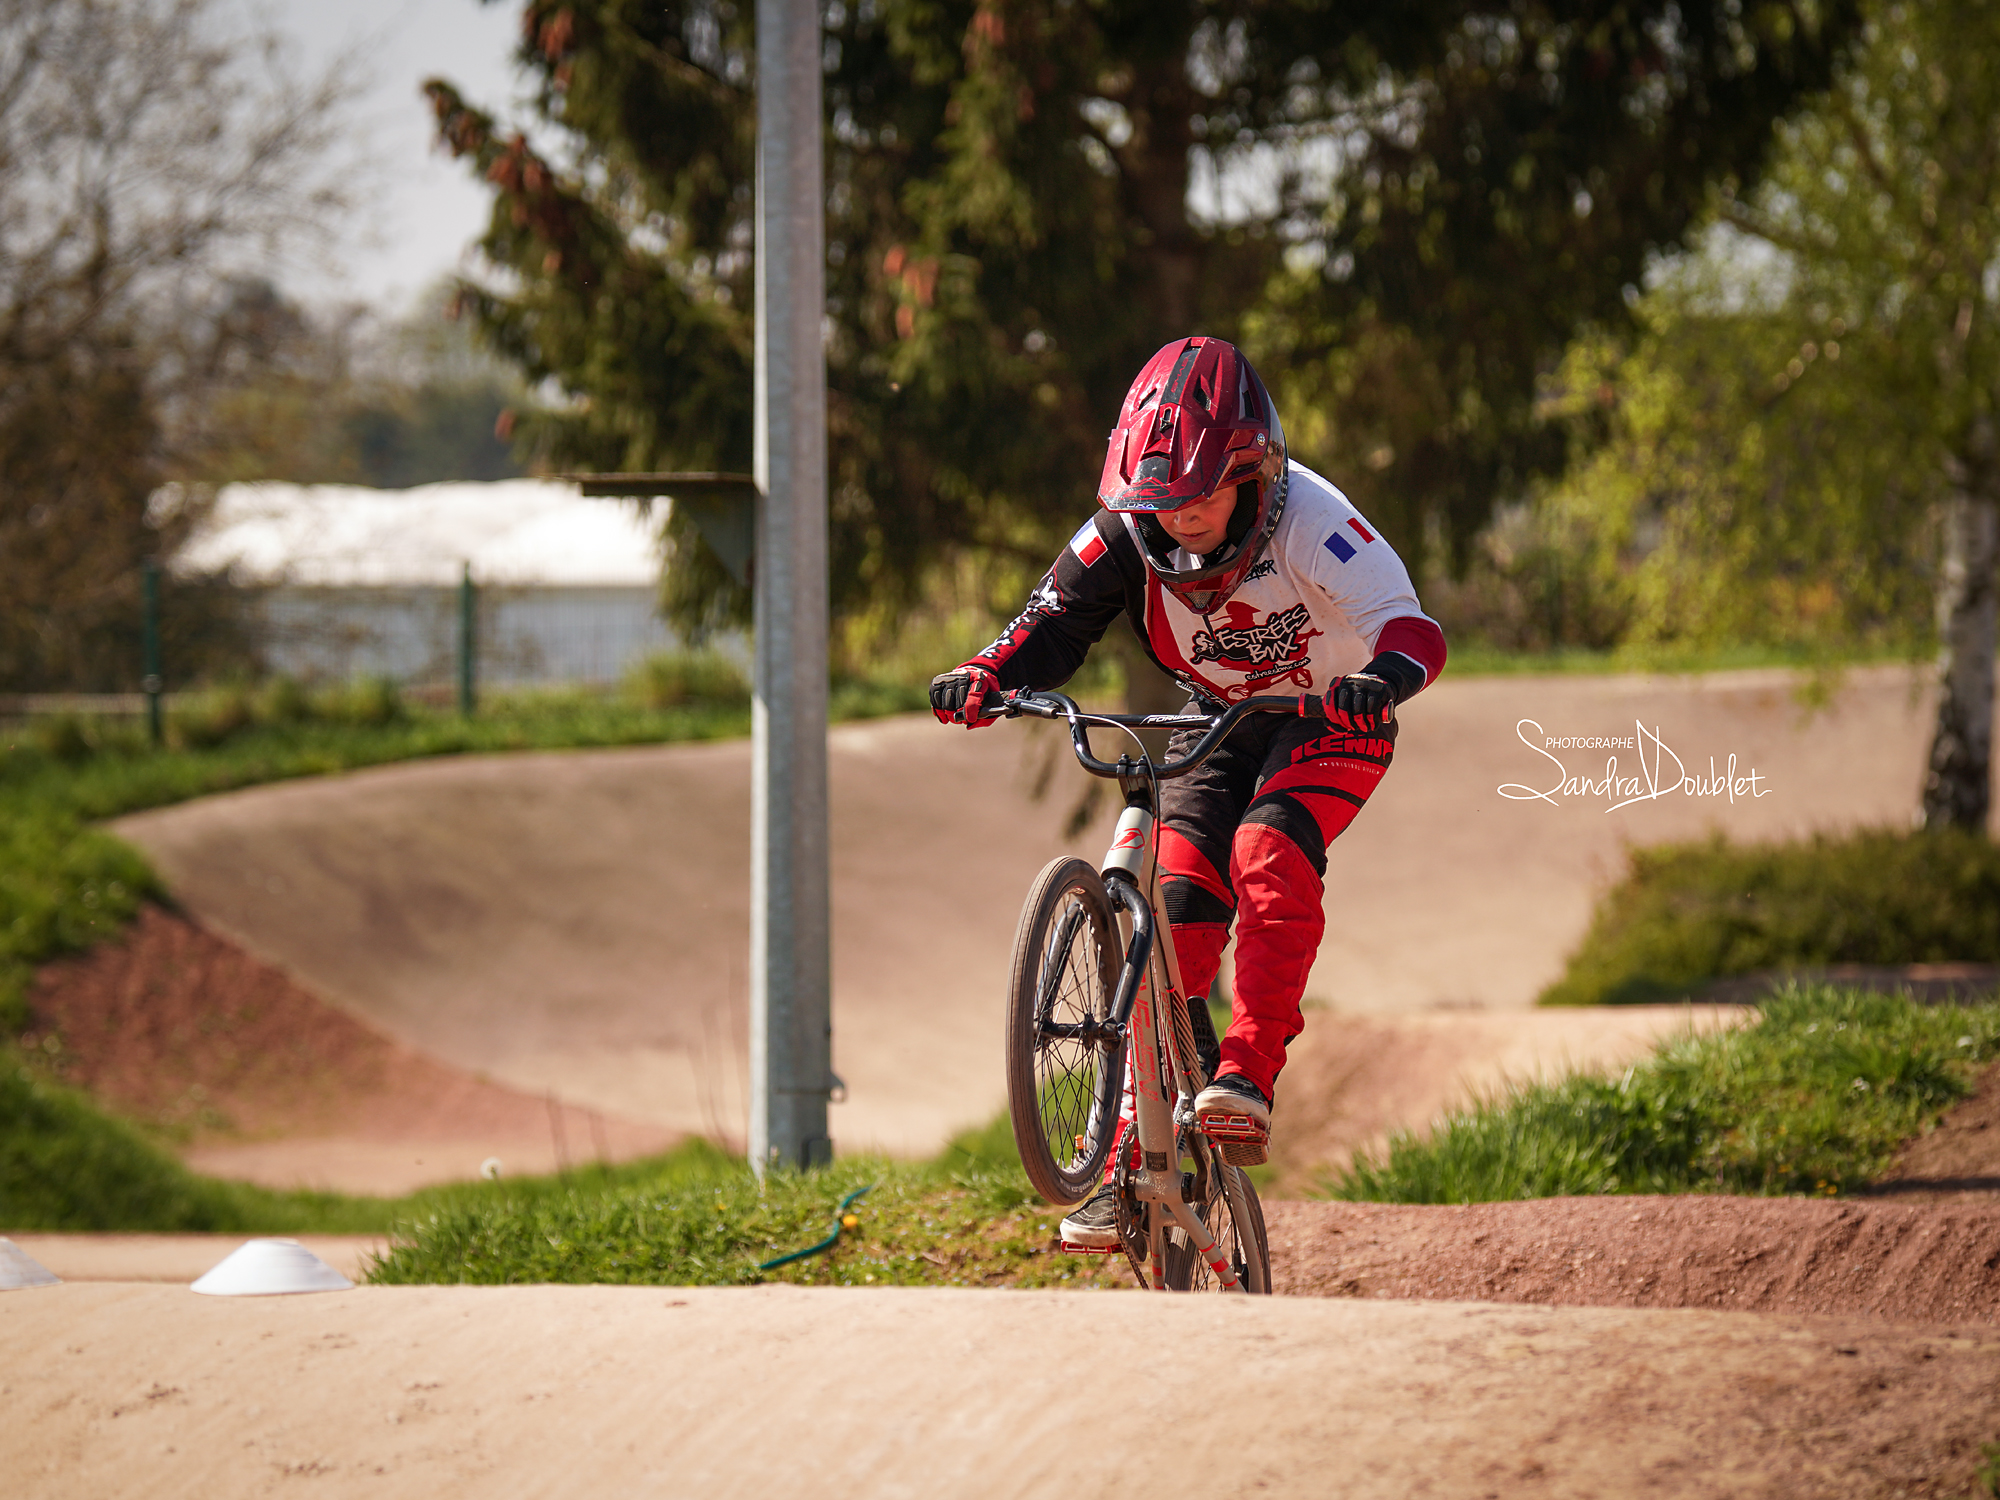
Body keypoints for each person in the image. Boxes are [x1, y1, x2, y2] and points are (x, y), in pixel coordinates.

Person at [928, 335, 1448, 1249]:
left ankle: (1245, 1077)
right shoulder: (1128, 530)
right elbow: (1044, 628)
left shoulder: (1313, 521)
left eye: (1204, 494)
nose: (1183, 519)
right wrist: (982, 675)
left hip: (1336, 713)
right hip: (1220, 714)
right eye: (1160, 502)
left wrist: (1386, 682)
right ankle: (1134, 1143)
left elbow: (1411, 627)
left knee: (1267, 854)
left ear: (1256, 471)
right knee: (1175, 908)